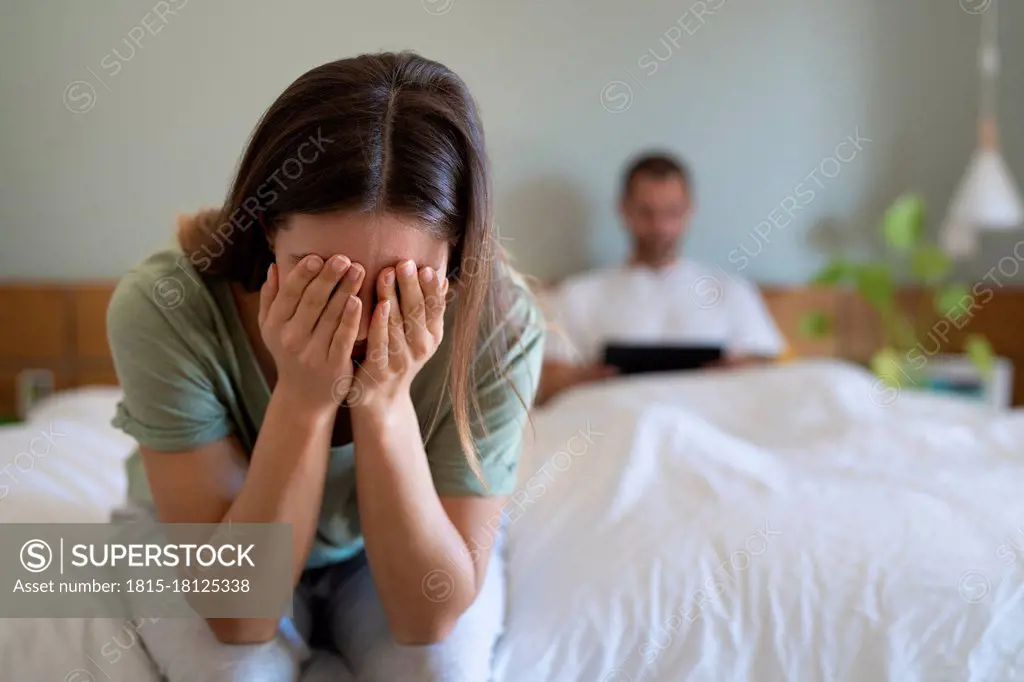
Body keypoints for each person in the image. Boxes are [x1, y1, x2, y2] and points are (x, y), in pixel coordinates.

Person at [105, 52, 544, 682]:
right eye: (322, 282)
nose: (357, 321)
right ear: (264, 235)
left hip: (386, 542)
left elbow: (427, 622)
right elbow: (238, 615)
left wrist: (384, 403)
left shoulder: (500, 327)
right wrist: (304, 397)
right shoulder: (165, 307)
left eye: (401, 285)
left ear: (455, 255)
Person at [537, 151, 784, 405]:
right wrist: (584, 378)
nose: (660, 226)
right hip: (616, 422)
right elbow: (544, 381)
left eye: (672, 212)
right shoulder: (578, 294)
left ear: (690, 209)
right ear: (624, 209)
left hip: (711, 424)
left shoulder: (732, 291)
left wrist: (735, 371)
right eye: (646, 213)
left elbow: (769, 370)